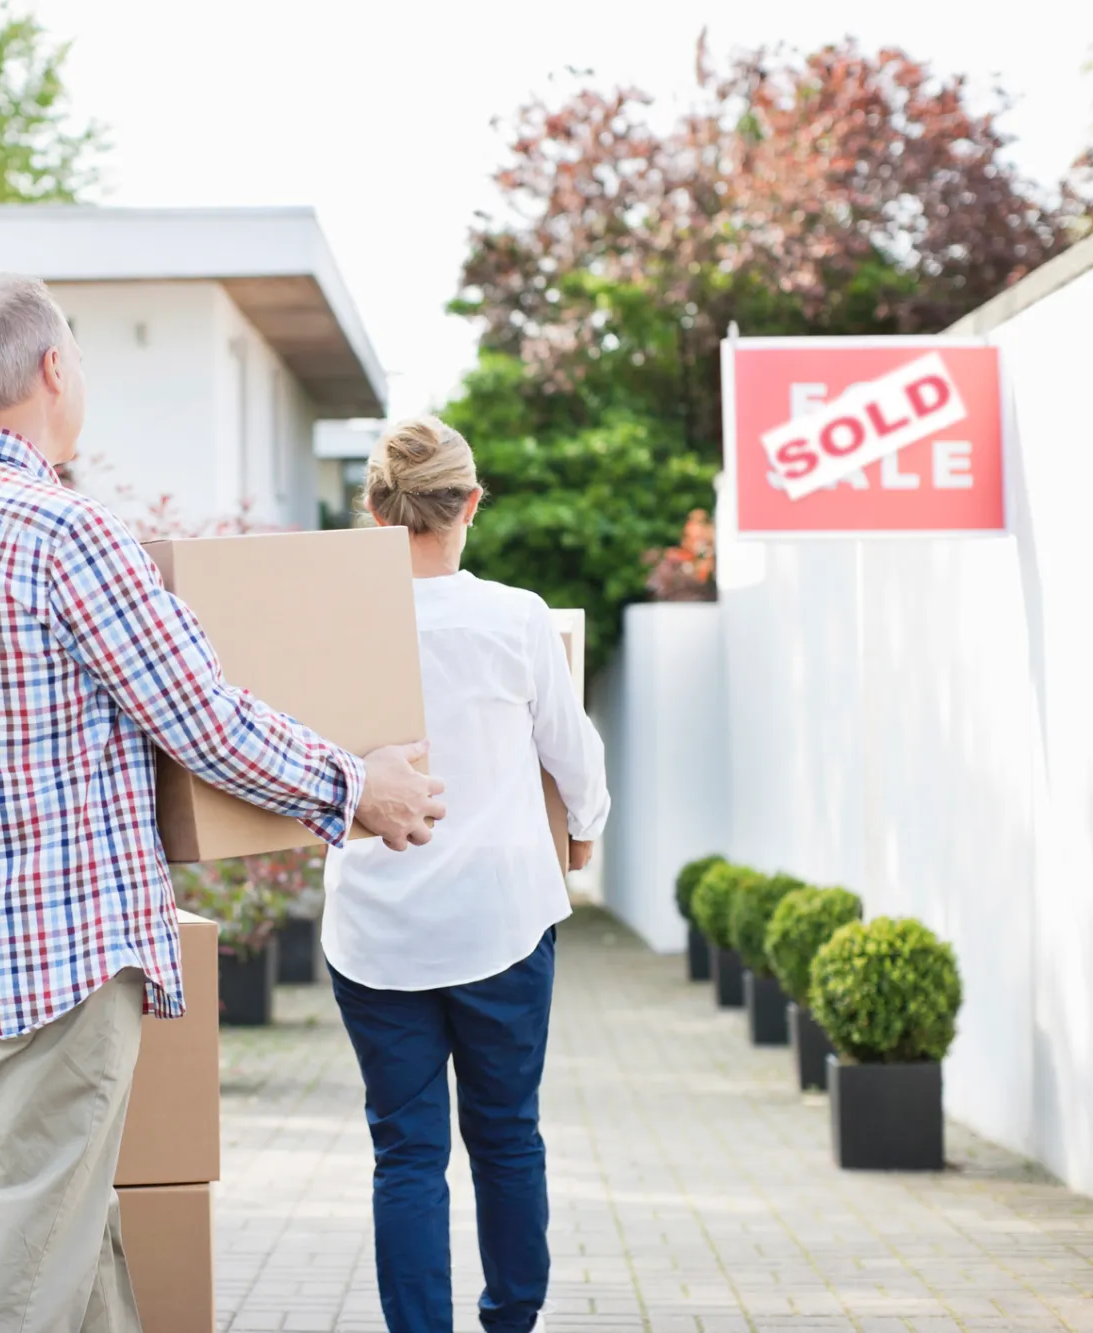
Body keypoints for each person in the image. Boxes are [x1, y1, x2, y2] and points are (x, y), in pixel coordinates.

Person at [0, 274, 447, 1332]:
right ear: (51, 369)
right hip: (63, 952)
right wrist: (361, 787)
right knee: (26, 1243)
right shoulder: (63, 530)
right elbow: (203, 718)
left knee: (62, 1227)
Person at [322, 416, 610, 1333]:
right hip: (501, 920)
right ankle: (511, 1319)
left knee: (406, 1153)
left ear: (372, 507)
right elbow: (577, 758)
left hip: (375, 932)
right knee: (506, 1135)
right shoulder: (515, 619)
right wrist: (586, 833)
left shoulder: (333, 624)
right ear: (470, 504)